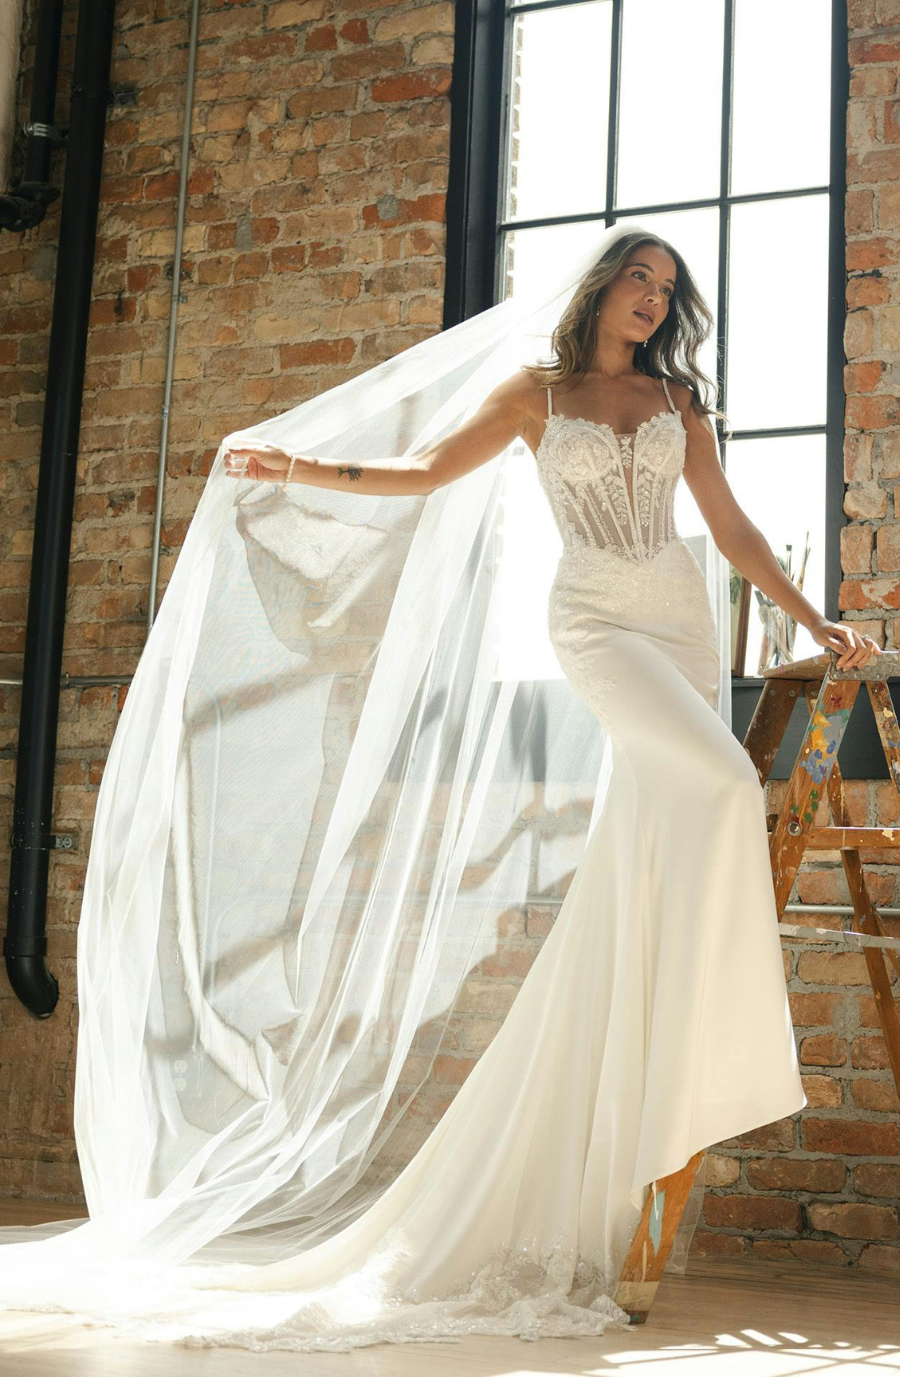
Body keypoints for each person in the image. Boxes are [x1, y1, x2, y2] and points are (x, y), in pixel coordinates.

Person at [0, 224, 879, 1352]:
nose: (655, 301)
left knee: (668, 835)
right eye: (640, 279)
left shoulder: (676, 410)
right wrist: (291, 466)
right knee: (716, 788)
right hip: (599, 621)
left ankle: (662, 1046)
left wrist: (813, 618)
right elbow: (422, 477)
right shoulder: (534, 396)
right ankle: (717, 1031)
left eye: (669, 289)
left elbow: (733, 530)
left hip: (678, 614)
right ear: (604, 286)